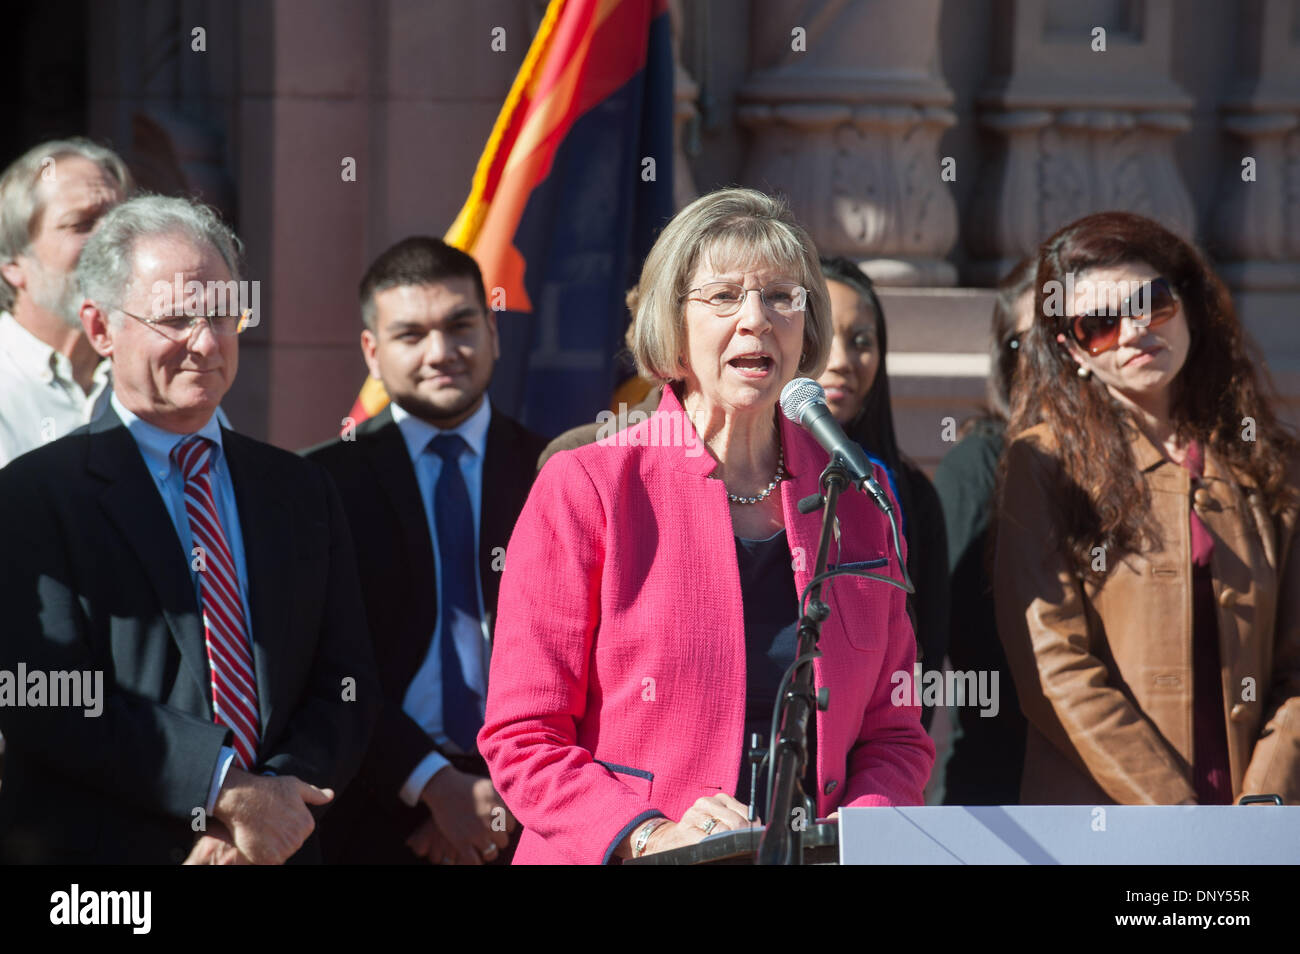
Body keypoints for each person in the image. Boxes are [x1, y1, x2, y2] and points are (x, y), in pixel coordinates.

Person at [479, 187, 935, 864]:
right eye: (723, 297)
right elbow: (524, 737)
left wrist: (853, 838)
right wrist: (654, 837)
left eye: (783, 296)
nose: (756, 319)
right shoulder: (589, 488)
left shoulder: (858, 495)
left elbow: (896, 732)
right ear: (674, 322)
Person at [0, 195, 380, 863]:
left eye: (224, 316)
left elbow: (345, 683)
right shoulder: (35, 495)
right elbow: (45, 693)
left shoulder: (299, 488)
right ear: (100, 327)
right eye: (176, 318)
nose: (206, 343)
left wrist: (272, 805)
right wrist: (225, 792)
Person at [995, 211, 1300, 806]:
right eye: (1098, 325)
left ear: (1188, 306)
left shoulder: (1268, 460)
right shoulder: (1044, 463)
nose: (1134, 331)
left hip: (1256, 813)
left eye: (1152, 303)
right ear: (1072, 350)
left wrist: (1264, 802)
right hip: (1110, 815)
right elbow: (1054, 667)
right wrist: (1177, 815)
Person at [306, 236, 547, 865]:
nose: (441, 353)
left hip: (539, 811)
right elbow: (321, 666)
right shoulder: (316, 485)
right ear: (372, 350)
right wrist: (437, 786)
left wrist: (503, 799)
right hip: (371, 817)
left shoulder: (559, 471)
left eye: (461, 325)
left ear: (493, 331)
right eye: (410, 335)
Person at [816, 256, 950, 729]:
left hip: (868, 769)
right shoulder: (749, 480)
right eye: (825, 336)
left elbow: (924, 656)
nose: (842, 362)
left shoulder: (912, 494)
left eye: (861, 342)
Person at [933, 256, 1034, 805]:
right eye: (1028, 345)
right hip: (999, 800)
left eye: (1070, 334)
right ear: (1005, 364)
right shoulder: (980, 462)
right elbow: (921, 649)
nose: (1052, 360)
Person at [0, 138, 131, 467]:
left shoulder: (159, 370)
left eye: (121, 224)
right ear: (14, 263)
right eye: (81, 224)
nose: (110, 243)